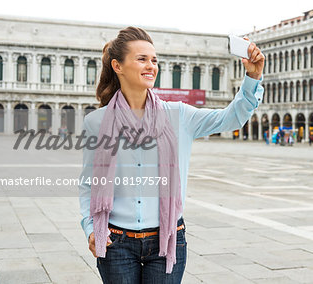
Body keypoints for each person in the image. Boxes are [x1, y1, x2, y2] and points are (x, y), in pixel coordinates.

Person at [78, 27, 264, 284]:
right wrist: (90, 227)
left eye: (154, 60)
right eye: (141, 59)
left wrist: (252, 77)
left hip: (168, 239)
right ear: (117, 66)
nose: (151, 66)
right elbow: (89, 183)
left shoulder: (179, 115)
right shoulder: (96, 123)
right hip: (115, 243)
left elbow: (231, 117)